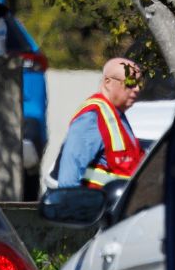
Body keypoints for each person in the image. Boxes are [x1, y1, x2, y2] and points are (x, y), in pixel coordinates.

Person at [54, 58, 145, 189]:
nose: (137, 89)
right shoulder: (92, 117)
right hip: (100, 207)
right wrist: (72, 207)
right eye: (131, 82)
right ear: (108, 82)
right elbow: (69, 178)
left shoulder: (117, 115)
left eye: (139, 84)